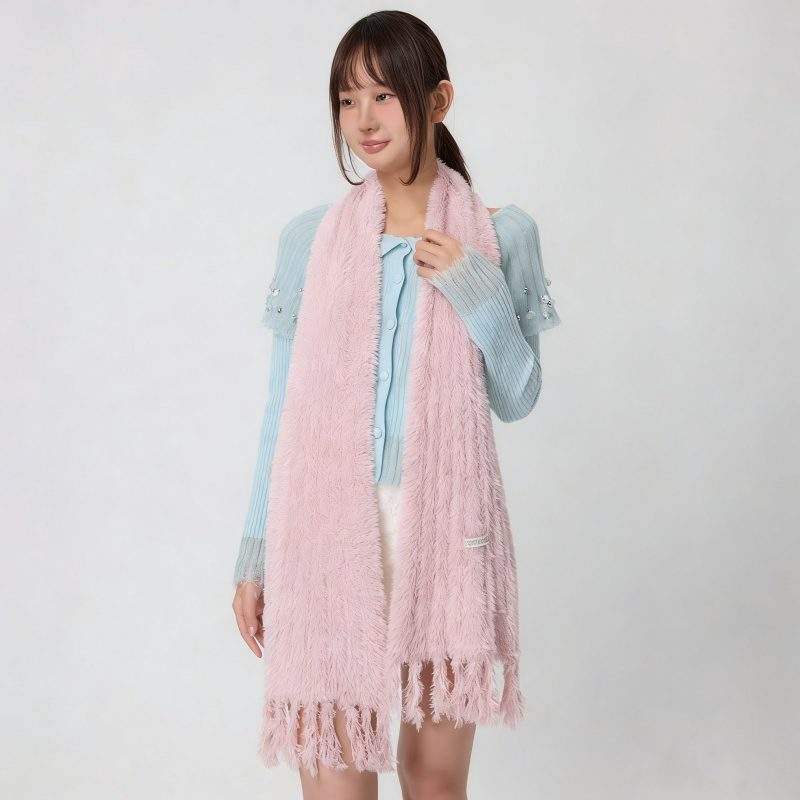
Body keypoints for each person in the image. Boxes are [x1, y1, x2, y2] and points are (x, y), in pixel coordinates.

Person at [231, 10, 561, 799]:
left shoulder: (500, 235)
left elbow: (518, 396)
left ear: (437, 99)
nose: (364, 120)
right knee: (336, 782)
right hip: (322, 530)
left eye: (384, 95)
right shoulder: (311, 239)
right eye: (348, 100)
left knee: (434, 782)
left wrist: (478, 292)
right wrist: (253, 554)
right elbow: (281, 409)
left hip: (444, 528)